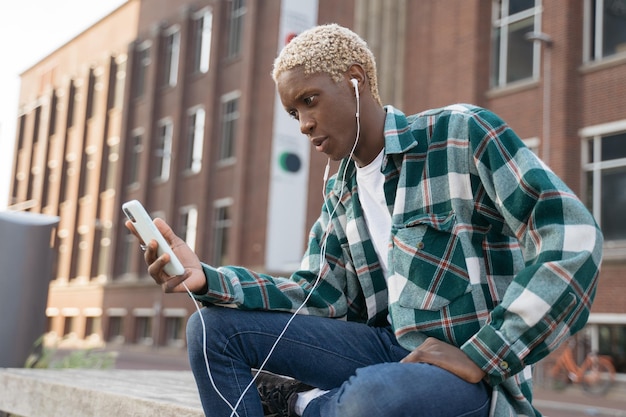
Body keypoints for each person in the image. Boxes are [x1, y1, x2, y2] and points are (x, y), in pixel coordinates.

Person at [127, 24, 603, 417]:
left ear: (355, 79)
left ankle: (300, 405)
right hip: (383, 350)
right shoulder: (340, 189)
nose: (303, 125)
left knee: (371, 397)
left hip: (467, 377)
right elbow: (317, 294)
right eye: (294, 112)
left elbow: (572, 236)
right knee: (210, 330)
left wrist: (484, 353)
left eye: (309, 100)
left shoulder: (459, 135)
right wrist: (207, 278)